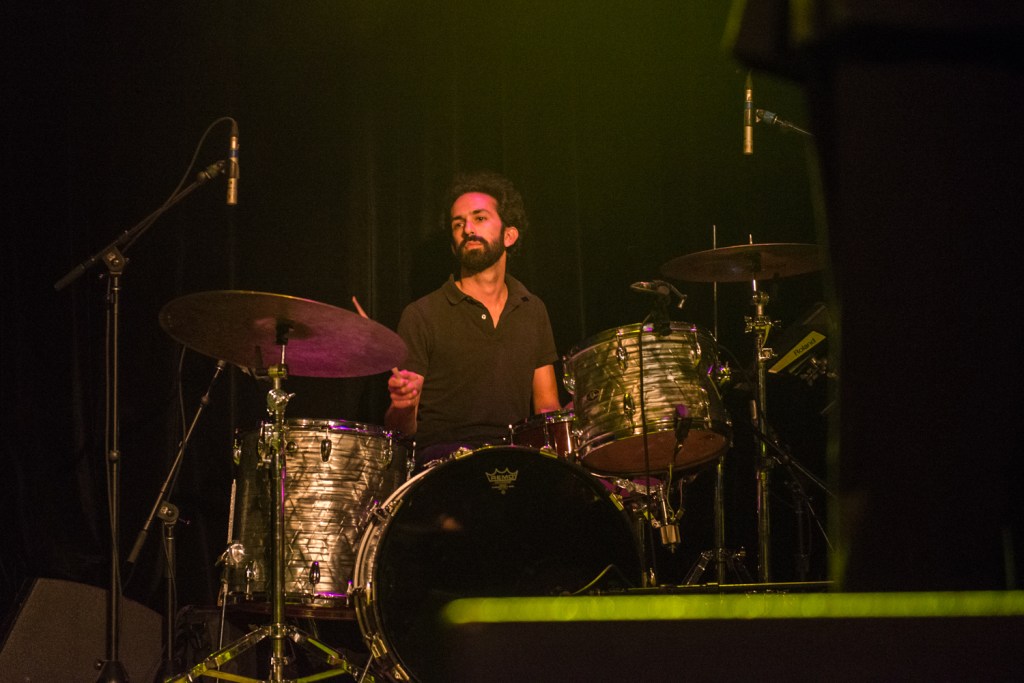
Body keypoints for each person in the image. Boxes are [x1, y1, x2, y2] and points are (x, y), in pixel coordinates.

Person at [385, 171, 562, 465]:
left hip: (514, 462)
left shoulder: (533, 309)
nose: (468, 229)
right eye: (458, 223)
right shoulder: (421, 314)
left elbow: (547, 408)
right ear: (454, 243)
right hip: (444, 465)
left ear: (509, 235)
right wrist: (401, 406)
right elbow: (402, 429)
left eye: (479, 218)